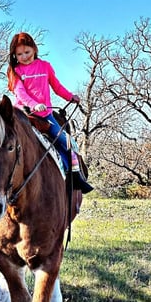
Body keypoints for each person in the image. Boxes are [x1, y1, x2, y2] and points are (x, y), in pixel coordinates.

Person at [7, 32, 94, 194]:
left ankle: (76, 177)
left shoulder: (45, 66)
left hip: (45, 116)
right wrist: (33, 104)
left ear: (34, 49)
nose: (24, 56)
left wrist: (70, 96)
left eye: (27, 52)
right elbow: (20, 94)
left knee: (68, 142)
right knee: (1, 140)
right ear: (14, 55)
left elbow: (57, 87)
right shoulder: (15, 71)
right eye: (19, 54)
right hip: (23, 116)